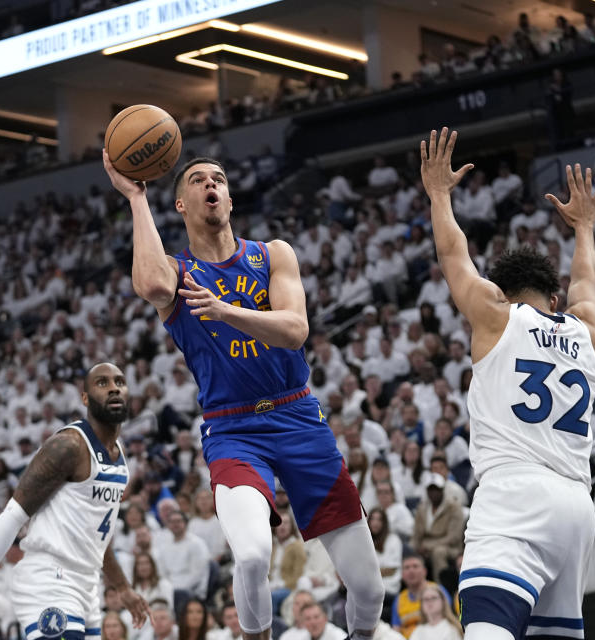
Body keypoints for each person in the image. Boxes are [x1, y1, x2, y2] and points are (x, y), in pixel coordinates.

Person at [103, 153, 383, 640]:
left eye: (219, 179)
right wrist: (135, 197)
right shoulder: (177, 271)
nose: (210, 184)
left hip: (299, 417)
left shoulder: (272, 254)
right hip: (233, 429)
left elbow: (295, 330)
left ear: (229, 199)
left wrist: (224, 311)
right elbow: (148, 283)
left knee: (369, 590)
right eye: (197, 180)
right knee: (253, 555)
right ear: (183, 203)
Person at [420, 129, 595, 640]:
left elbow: (453, 254)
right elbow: (587, 284)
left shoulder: (496, 315)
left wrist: (439, 194)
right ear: (554, 293)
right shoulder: (586, 330)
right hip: (575, 505)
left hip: (515, 494)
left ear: (502, 289)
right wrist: (585, 228)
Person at [0, 363, 151, 639]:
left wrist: (123, 587)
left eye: (119, 382)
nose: (114, 388)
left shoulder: (119, 457)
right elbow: (12, 515)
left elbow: (97, 540)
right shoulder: (68, 446)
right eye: (102, 383)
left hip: (87, 585)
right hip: (48, 578)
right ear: (85, 398)